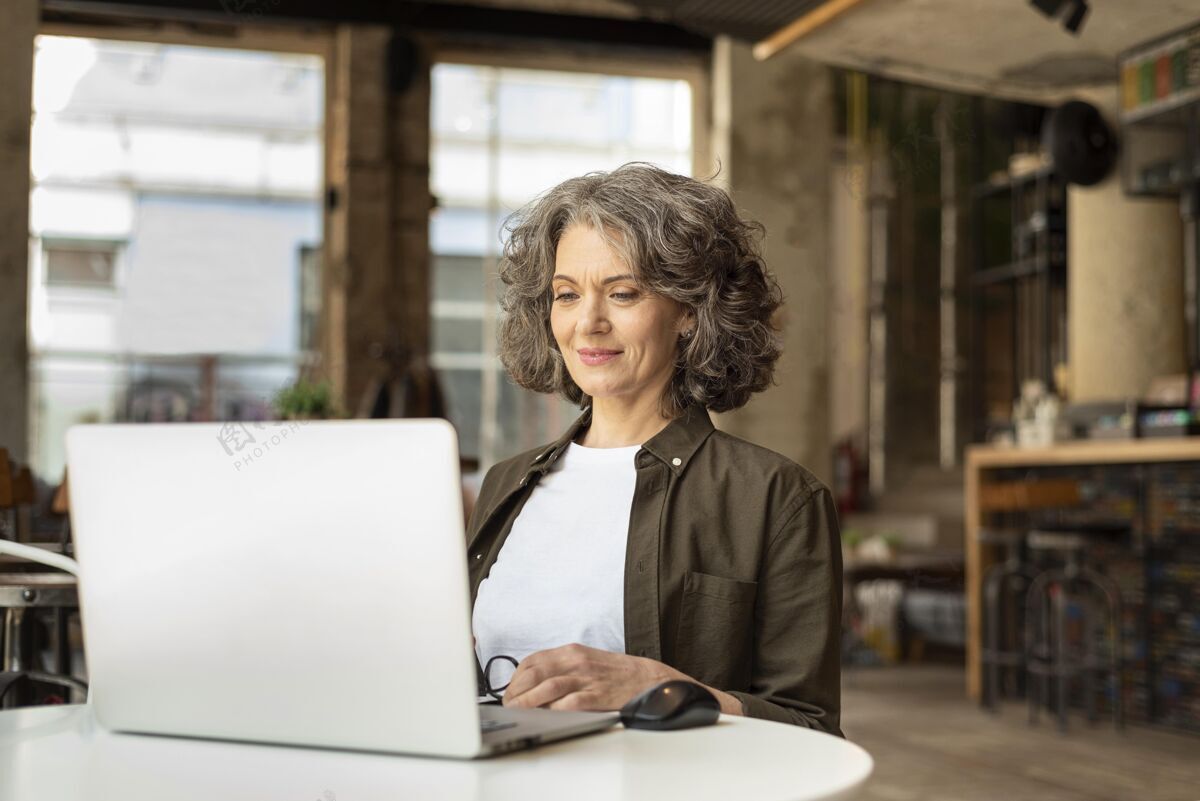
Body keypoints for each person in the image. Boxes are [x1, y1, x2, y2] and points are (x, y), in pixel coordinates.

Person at [466, 163, 843, 737]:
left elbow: (809, 727)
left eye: (622, 293)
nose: (588, 322)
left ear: (689, 312)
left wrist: (662, 690)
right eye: (567, 295)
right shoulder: (505, 484)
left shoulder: (775, 498)